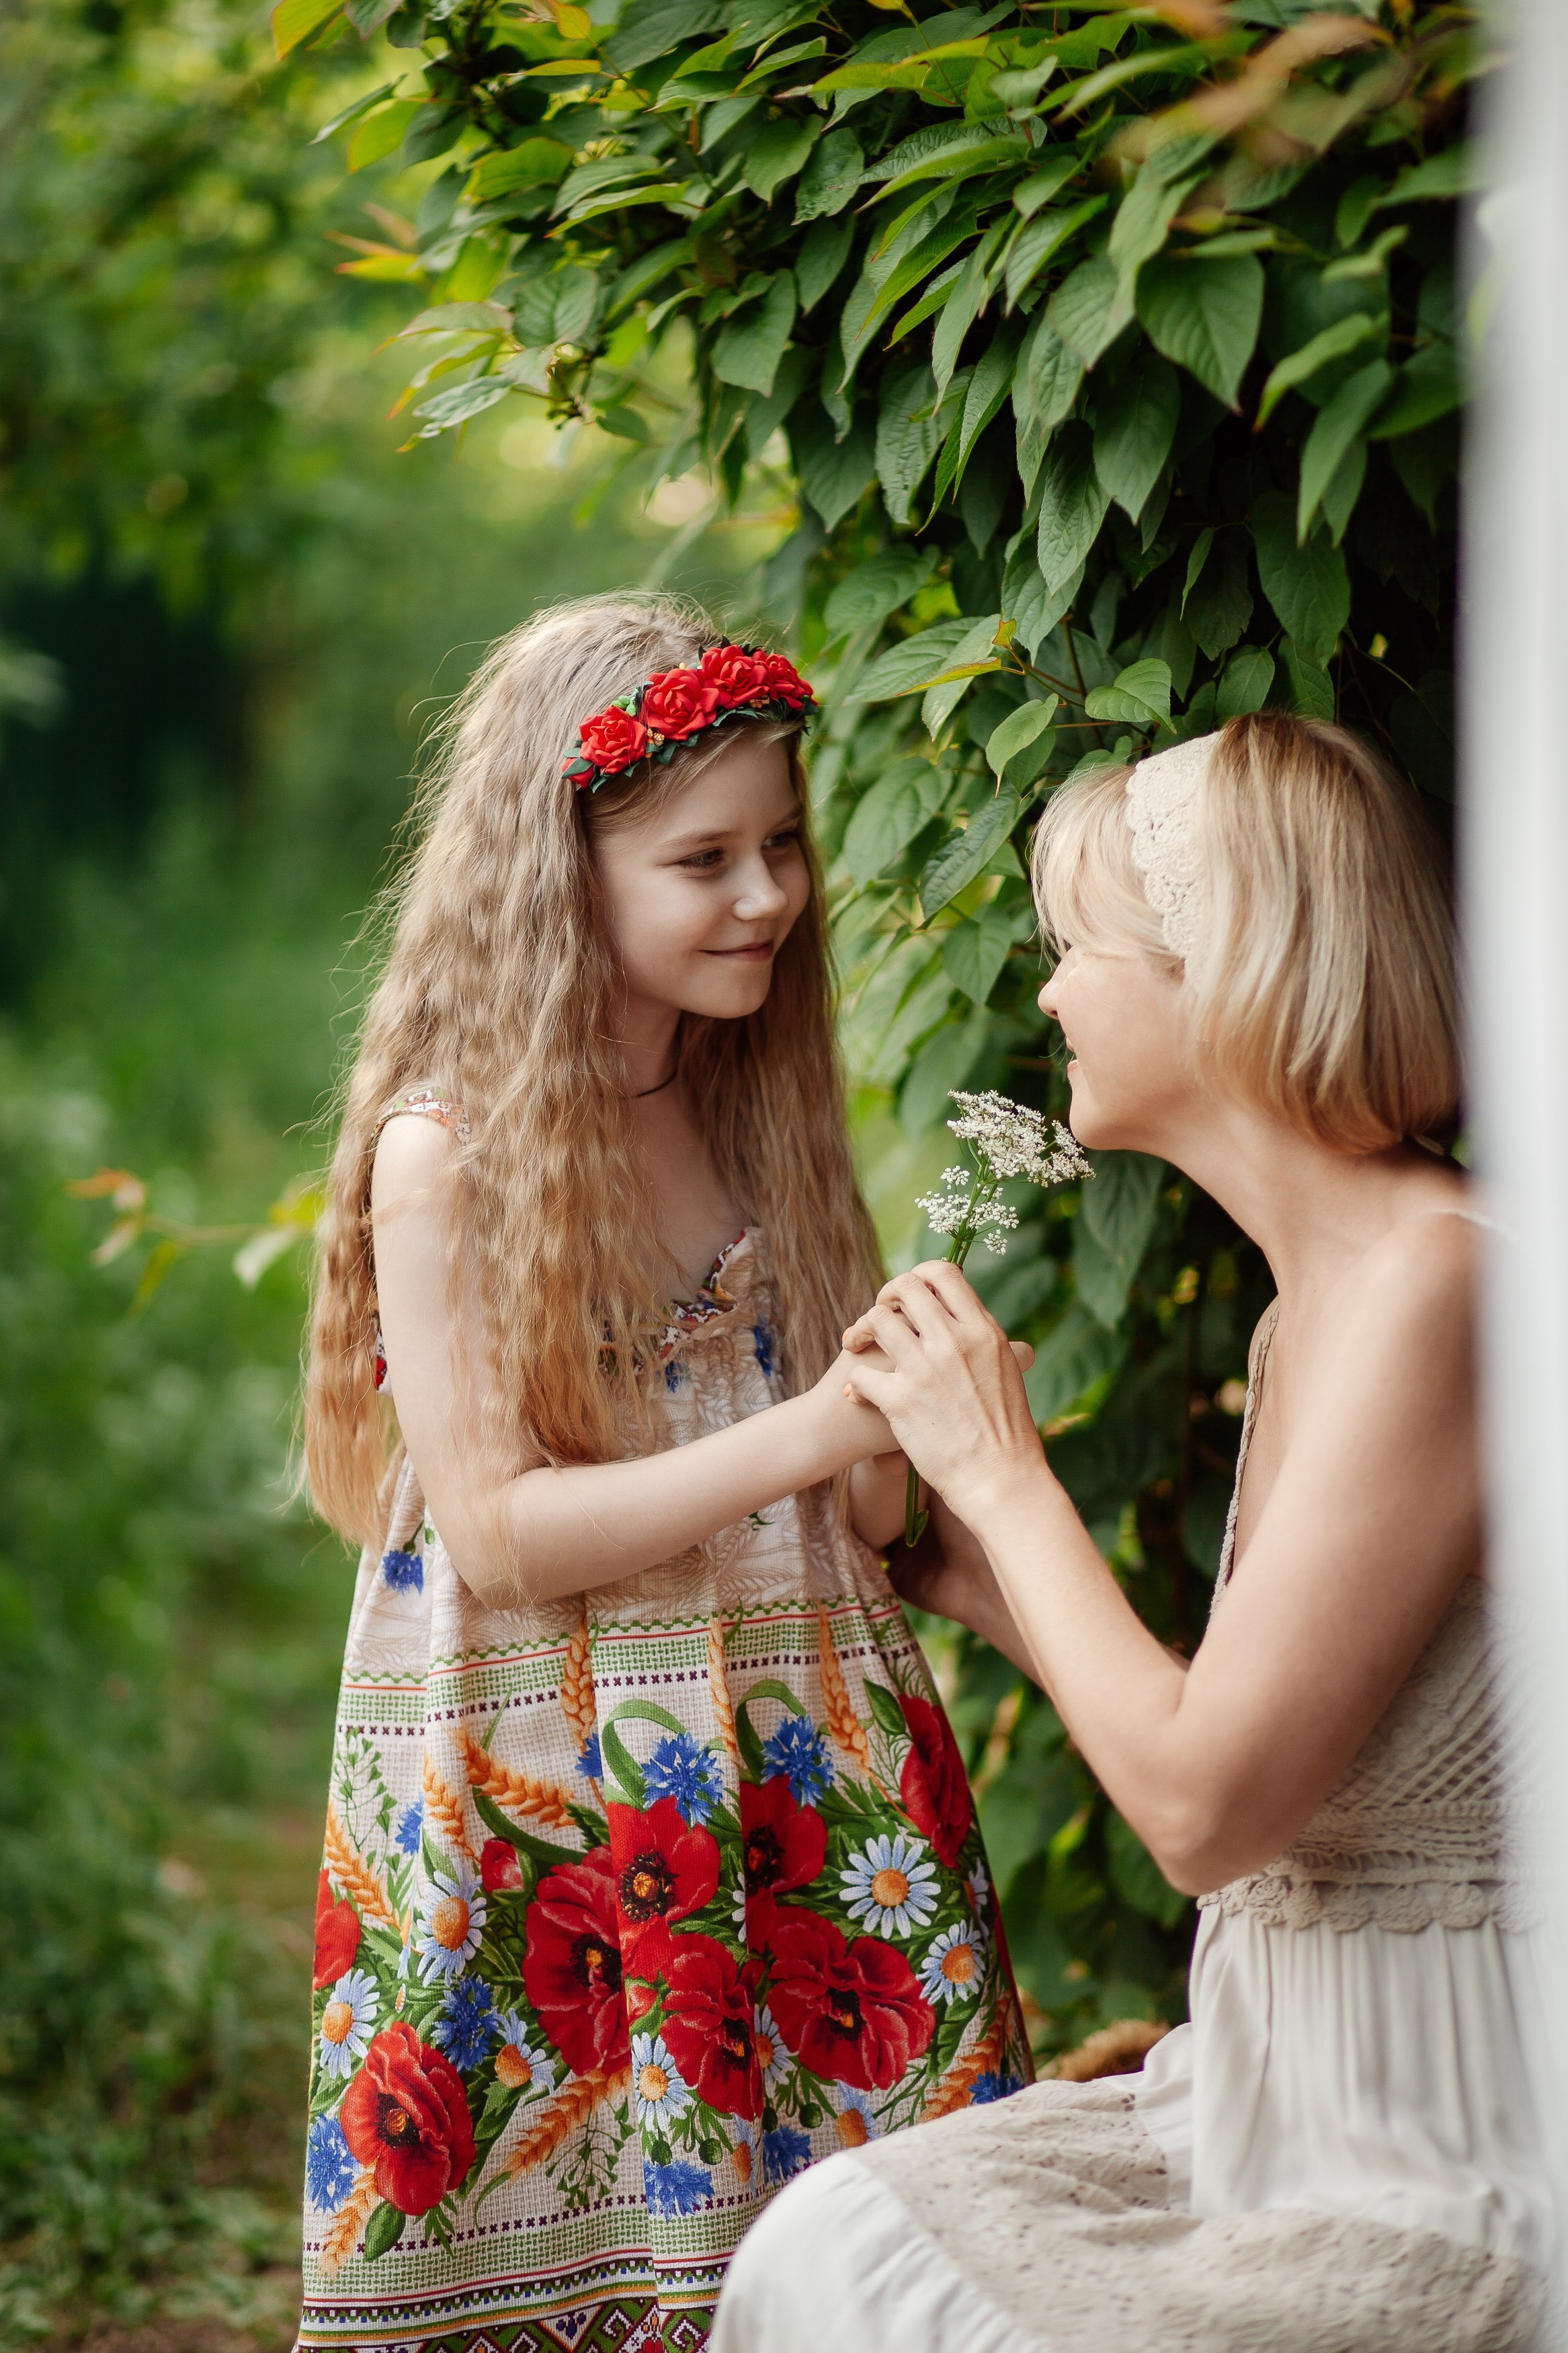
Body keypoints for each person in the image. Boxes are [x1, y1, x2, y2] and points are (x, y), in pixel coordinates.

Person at [714, 713, 1551, 2353]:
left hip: (1467, 2146)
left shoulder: (1444, 1289)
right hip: (1282, 2106)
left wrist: (1009, 1474)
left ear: (1217, 971)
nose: (1047, 996)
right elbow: (1276, 1749)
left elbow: (1201, 1812)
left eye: (1079, 948)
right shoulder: (1316, 1314)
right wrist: (966, 1568)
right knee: (834, 2236)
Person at [292, 597, 1032, 2353]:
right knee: (606, 2153)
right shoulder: (449, 1158)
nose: (766, 892)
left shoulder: (748, 1102)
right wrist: (817, 1430)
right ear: (565, 880)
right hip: (560, 1763)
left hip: (783, 1740)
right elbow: (500, 1528)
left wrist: (894, 1422)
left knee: (847, 2206)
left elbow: (847, 1510)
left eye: (779, 842)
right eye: (704, 858)